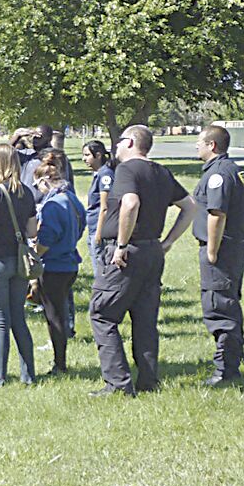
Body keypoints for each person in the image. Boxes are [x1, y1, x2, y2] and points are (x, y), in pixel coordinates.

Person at [88, 125, 196, 396]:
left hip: (127, 252)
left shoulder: (127, 170)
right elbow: (190, 206)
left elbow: (131, 203)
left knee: (102, 314)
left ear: (131, 141)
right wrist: (168, 241)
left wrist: (121, 245)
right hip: (152, 251)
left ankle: (118, 384)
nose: (115, 145)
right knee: (145, 319)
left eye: (119, 140)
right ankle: (148, 381)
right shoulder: (161, 171)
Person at [193, 125, 244, 387]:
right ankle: (232, 359)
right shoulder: (234, 170)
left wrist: (212, 251)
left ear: (212, 146)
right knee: (228, 301)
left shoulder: (218, 175)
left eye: (200, 142)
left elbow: (217, 215)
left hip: (222, 249)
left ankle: (225, 370)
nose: (197, 147)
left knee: (219, 306)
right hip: (233, 247)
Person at [0, 143, 38, 385]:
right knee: (18, 319)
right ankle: (28, 375)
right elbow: (32, 230)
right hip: (19, 262)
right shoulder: (27, 192)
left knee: (0, 322)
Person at [33, 149, 85, 375]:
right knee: (61, 313)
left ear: (45, 181)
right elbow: (81, 224)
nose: (39, 191)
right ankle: (60, 359)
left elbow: (47, 238)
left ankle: (60, 364)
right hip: (70, 263)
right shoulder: (72, 198)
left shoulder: (53, 204)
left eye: (38, 186)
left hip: (53, 266)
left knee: (54, 318)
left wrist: (35, 253)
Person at [82, 140, 115, 280]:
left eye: (87, 155)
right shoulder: (98, 174)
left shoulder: (105, 175)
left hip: (98, 228)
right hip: (92, 226)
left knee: (101, 269)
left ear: (98, 155)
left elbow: (105, 206)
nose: (84, 159)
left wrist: (99, 233)